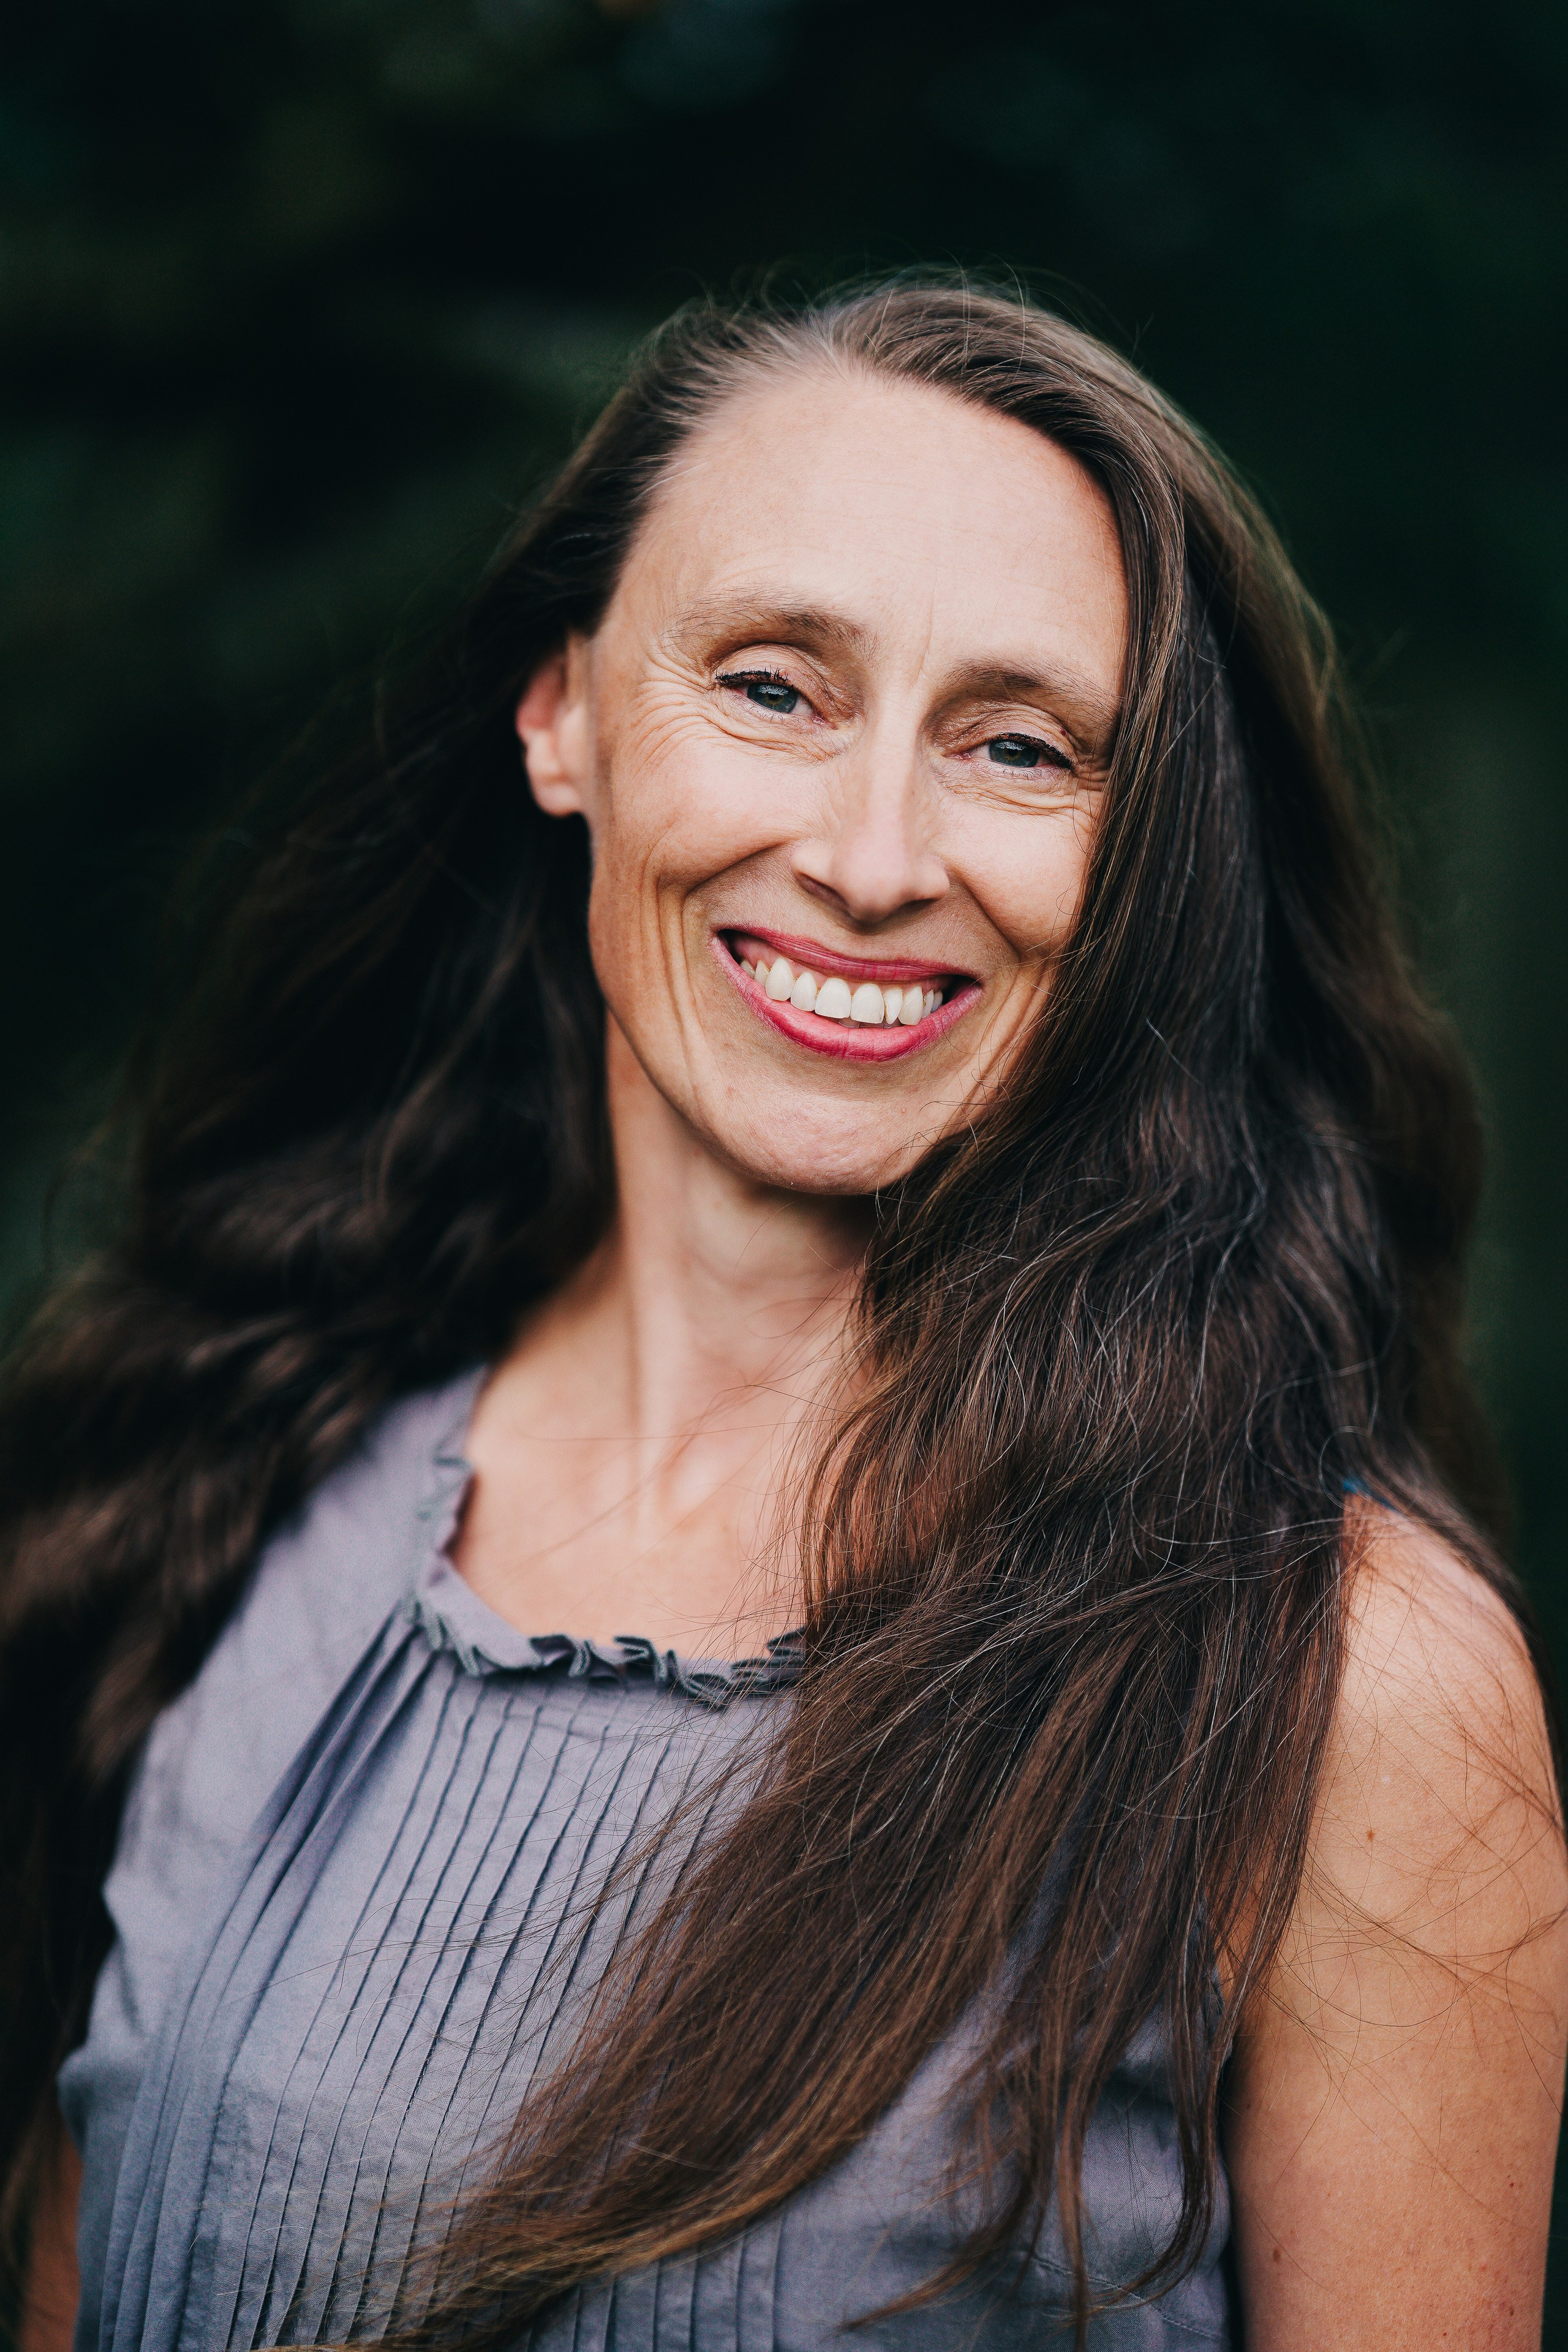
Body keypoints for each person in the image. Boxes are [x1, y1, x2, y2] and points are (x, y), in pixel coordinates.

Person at [2, 281, 1564, 2352]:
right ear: (563, 716)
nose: (871, 854)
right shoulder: (231, 1481)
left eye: (1021, 747)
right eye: (772, 688)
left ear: (1148, 865)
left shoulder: (1347, 1685)